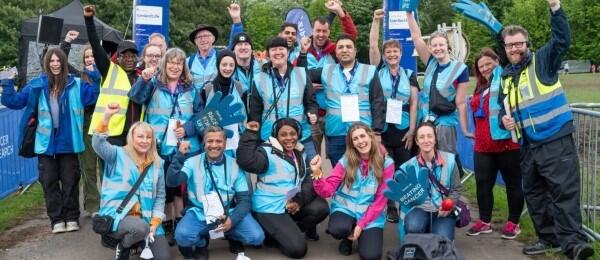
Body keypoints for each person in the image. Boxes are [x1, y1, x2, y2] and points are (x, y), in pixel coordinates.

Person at [497, 0, 592, 258]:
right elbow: (501, 112)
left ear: (527, 45)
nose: (515, 48)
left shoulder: (543, 62)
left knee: (563, 194)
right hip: (528, 146)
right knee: (536, 196)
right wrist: (503, 121)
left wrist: (556, 9)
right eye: (510, 44)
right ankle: (548, 238)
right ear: (505, 48)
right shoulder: (506, 77)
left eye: (519, 43)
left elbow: (562, 40)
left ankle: (574, 244)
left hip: (555, 141)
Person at [1, 48, 100, 233]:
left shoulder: (75, 84)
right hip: (45, 144)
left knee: (70, 181)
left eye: (58, 61)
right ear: (47, 63)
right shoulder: (36, 85)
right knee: (49, 182)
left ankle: (71, 217)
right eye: (52, 61)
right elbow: (14, 101)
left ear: (63, 63)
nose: (55, 64)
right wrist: (7, 80)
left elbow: (95, 94)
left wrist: (94, 73)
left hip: (69, 143)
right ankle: (56, 219)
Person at [129, 47, 203, 245]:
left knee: (183, 188)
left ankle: (182, 223)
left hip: (185, 146)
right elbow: (135, 97)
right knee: (164, 187)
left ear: (183, 67)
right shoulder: (153, 83)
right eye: (171, 62)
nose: (175, 66)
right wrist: (142, 79)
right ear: (164, 63)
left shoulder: (191, 87)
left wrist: (187, 128)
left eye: (179, 63)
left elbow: (200, 116)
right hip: (159, 146)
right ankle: (167, 223)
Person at [237, 118, 329, 259]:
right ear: (276, 136)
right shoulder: (266, 152)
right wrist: (250, 133)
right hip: (269, 207)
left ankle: (285, 233)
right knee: (298, 250)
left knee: (321, 208)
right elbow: (246, 162)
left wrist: (298, 201)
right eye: (283, 134)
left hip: (289, 203)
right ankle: (275, 234)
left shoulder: (300, 152)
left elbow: (308, 181)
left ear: (298, 134)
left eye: (292, 133)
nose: (289, 138)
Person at [167, 126, 264, 260]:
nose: (214, 145)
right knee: (183, 236)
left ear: (225, 144)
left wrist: (232, 219)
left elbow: (245, 201)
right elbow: (172, 182)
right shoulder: (191, 162)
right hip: (199, 213)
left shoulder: (235, 165)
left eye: (218, 141)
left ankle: (230, 234)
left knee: (256, 237)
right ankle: (202, 243)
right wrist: (179, 155)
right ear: (204, 143)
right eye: (210, 141)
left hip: (227, 212)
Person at [92, 103, 170, 260]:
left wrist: (155, 223)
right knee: (140, 228)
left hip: (147, 219)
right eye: (140, 137)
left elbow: (161, 197)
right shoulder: (117, 154)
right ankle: (124, 244)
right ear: (132, 138)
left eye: (149, 137)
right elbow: (98, 144)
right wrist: (106, 116)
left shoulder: (158, 164)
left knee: (163, 257)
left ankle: (137, 241)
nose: (145, 141)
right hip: (119, 217)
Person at [311, 123, 394, 260]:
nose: (360, 141)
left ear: (370, 136)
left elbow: (381, 200)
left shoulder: (386, 162)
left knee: (371, 256)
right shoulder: (346, 160)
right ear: (352, 143)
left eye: (362, 136)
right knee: (338, 229)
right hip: (345, 209)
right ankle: (347, 237)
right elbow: (327, 191)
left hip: (371, 214)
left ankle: (359, 232)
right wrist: (317, 173)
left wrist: (361, 225)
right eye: (355, 139)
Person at [466, 48, 523, 239]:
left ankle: (513, 223)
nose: (484, 68)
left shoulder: (506, 78)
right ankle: (484, 221)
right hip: (482, 144)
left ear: (497, 61)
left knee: (512, 184)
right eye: (481, 66)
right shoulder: (480, 85)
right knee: (482, 184)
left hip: (507, 143)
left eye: (488, 64)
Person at [369, 8, 420, 224]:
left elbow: (415, 102)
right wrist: (375, 22)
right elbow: (372, 45)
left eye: (395, 52)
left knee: (403, 169)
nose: (391, 55)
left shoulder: (409, 75)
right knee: (382, 169)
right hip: (382, 129)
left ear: (401, 54)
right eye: (388, 52)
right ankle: (389, 206)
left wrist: (412, 131)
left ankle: (407, 206)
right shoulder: (378, 70)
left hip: (403, 129)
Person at [305, 35, 385, 167]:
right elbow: (299, 74)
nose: (344, 50)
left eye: (349, 47)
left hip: (363, 132)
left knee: (364, 171)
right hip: (336, 132)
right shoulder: (327, 70)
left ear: (355, 50)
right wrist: (302, 53)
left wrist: (377, 132)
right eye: (340, 47)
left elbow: (377, 102)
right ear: (336, 52)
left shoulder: (369, 71)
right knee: (338, 175)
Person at [406, 11, 470, 156]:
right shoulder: (430, 62)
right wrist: (408, 13)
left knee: (445, 162)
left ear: (448, 46)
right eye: (434, 46)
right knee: (424, 161)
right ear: (430, 48)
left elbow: (460, 102)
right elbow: (416, 36)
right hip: (425, 121)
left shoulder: (460, 69)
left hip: (445, 123)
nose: (438, 48)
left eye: (441, 44)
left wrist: (465, 129)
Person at [248, 37, 319, 160]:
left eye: (281, 49)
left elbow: (311, 102)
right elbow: (255, 111)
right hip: (270, 137)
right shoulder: (259, 78)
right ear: (268, 54)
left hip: (300, 135)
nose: (278, 52)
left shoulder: (301, 74)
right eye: (273, 49)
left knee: (313, 173)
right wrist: (254, 138)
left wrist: (312, 114)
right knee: (273, 176)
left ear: (287, 52)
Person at [84, 5, 143, 147]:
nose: (129, 59)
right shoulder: (109, 69)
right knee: (111, 170)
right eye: (125, 56)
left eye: (133, 56)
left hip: (134, 135)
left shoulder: (142, 76)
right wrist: (89, 20)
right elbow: (95, 46)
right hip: (110, 135)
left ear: (137, 58)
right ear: (118, 57)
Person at [59, 30, 102, 216]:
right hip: (86, 123)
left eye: (93, 55)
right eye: (87, 56)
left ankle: (111, 203)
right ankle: (93, 206)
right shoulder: (79, 76)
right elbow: (61, 63)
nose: (90, 59)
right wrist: (67, 42)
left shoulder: (108, 73)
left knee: (107, 167)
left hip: (107, 124)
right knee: (89, 167)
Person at [397, 122, 461, 241]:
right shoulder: (408, 167)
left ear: (435, 139)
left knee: (443, 239)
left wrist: (449, 203)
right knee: (413, 227)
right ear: (416, 141)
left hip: (442, 210)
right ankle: (424, 234)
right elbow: (403, 201)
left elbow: (456, 189)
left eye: (429, 136)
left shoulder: (450, 160)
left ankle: (433, 231)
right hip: (419, 209)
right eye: (421, 137)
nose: (426, 140)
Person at [195, 50, 247, 155]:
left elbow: (245, 112)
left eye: (231, 65)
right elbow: (199, 114)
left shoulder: (239, 87)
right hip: (213, 140)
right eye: (224, 64)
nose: (228, 68)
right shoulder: (208, 88)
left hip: (235, 139)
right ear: (218, 65)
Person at [187, 3, 243, 89]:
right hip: (196, 102)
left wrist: (236, 20)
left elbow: (235, 42)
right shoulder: (188, 62)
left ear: (213, 39)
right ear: (195, 42)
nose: (203, 39)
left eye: (206, 36)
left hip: (219, 100)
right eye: (199, 37)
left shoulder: (222, 57)